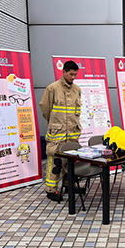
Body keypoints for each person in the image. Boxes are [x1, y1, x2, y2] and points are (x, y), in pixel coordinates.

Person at [39, 60, 82, 202]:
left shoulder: (77, 90)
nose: (73, 77)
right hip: (57, 134)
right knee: (56, 162)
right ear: (63, 72)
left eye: (75, 74)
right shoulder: (52, 89)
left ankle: (70, 185)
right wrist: (54, 123)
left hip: (72, 134)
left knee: (70, 162)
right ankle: (51, 190)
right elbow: (45, 109)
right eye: (71, 74)